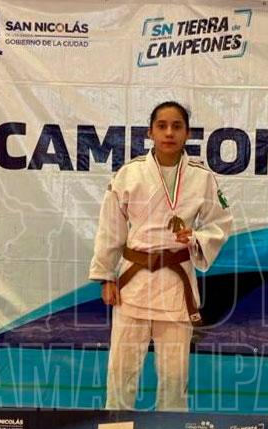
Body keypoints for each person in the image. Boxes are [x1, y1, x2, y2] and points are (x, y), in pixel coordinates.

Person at [89, 101, 233, 411]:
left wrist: (195, 238)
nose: (169, 133)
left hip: (175, 285)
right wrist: (105, 276)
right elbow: (110, 228)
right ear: (150, 132)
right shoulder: (129, 174)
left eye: (177, 126)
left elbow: (220, 223)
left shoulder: (202, 177)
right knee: (121, 370)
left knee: (174, 375)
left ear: (187, 133)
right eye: (162, 126)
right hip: (134, 283)